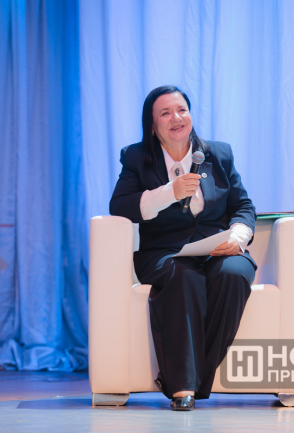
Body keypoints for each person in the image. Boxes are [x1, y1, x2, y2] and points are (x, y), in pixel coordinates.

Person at [110, 85, 257, 411]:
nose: (176, 118)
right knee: (184, 277)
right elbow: (120, 207)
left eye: (181, 110)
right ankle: (183, 388)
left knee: (235, 274)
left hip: (217, 248)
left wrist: (238, 236)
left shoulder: (218, 154)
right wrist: (170, 192)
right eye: (165, 113)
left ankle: (190, 380)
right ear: (152, 125)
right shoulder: (136, 157)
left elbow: (243, 206)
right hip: (165, 252)